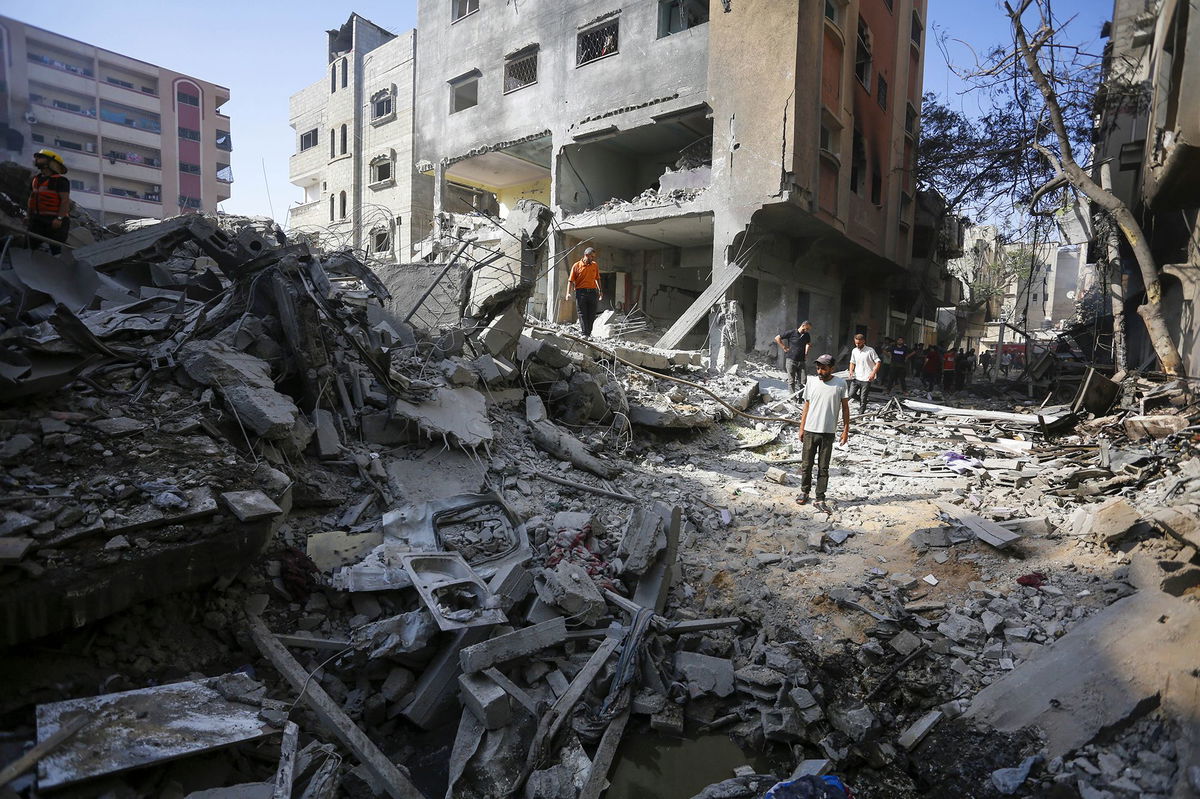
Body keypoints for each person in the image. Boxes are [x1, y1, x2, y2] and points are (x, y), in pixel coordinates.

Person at [796, 354, 850, 511]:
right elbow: (806, 405)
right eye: (818, 368)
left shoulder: (840, 384)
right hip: (810, 431)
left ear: (831, 369)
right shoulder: (811, 382)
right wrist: (801, 427)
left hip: (828, 433)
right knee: (806, 465)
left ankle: (820, 498)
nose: (820, 371)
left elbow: (845, 408)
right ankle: (804, 492)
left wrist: (845, 430)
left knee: (823, 467)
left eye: (823, 368)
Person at [27, 148, 71, 255]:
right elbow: (32, 198)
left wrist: (59, 219)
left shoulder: (60, 181)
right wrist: (28, 216)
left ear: (51, 162)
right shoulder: (35, 179)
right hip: (38, 219)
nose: (37, 159)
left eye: (41, 158)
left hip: (55, 220)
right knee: (30, 246)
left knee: (56, 249)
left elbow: (65, 201)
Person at [565, 247, 603, 338]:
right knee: (582, 313)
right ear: (586, 255)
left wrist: (600, 291)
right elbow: (570, 281)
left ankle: (588, 333)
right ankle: (584, 333)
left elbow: (597, 278)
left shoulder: (594, 265)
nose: (593, 259)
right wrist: (568, 293)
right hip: (581, 293)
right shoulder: (576, 266)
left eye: (594, 257)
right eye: (592, 257)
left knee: (592, 313)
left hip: (592, 293)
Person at [774, 320, 812, 396]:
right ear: (803, 325)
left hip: (802, 361)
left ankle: (801, 398)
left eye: (809, 329)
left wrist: (806, 352)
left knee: (803, 381)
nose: (807, 331)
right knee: (791, 381)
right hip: (791, 361)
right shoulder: (792, 333)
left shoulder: (807, 335)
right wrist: (784, 347)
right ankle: (793, 398)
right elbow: (777, 338)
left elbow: (808, 343)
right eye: (807, 328)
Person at [847, 333, 880, 413]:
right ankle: (864, 402)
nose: (857, 345)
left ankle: (861, 413)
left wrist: (873, 373)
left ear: (863, 341)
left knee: (863, 397)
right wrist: (851, 371)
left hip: (867, 377)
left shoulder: (870, 350)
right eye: (856, 343)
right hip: (857, 376)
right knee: (851, 394)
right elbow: (852, 362)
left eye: (859, 343)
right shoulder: (854, 350)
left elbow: (878, 362)